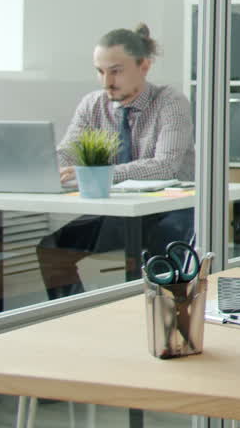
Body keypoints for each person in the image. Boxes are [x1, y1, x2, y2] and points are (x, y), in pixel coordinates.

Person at [36, 23, 195, 299]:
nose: (106, 82)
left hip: (170, 209)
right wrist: (41, 165)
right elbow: (68, 153)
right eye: (100, 71)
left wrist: (97, 174)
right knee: (53, 248)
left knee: (161, 260)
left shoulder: (170, 101)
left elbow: (164, 165)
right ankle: (74, 317)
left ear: (143, 66)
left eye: (116, 71)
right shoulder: (93, 105)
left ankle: (164, 320)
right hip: (120, 210)